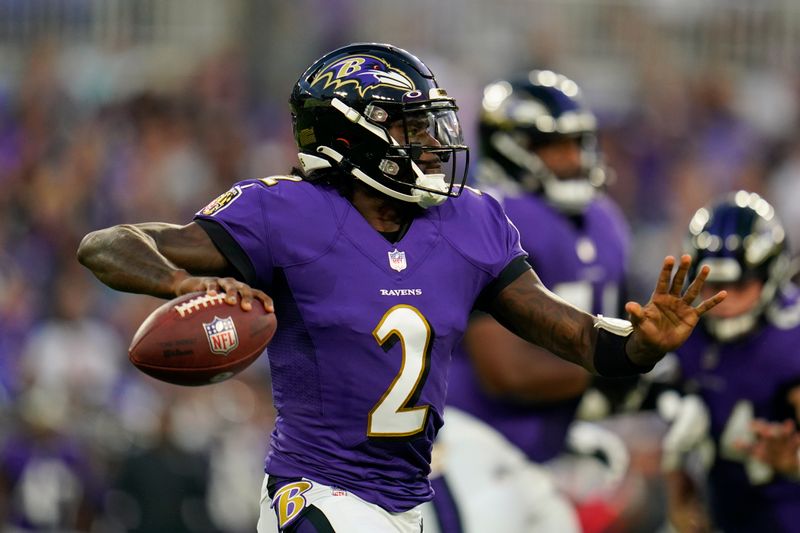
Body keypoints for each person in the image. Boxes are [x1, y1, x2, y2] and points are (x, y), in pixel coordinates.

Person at [77, 42, 725, 533]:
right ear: (347, 134)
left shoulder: (471, 220)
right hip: (319, 495)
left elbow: (583, 339)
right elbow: (106, 245)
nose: (434, 142)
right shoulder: (288, 213)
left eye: (432, 123)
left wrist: (643, 342)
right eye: (409, 127)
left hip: (412, 503)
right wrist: (180, 279)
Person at [423, 70, 632, 533]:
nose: (572, 159)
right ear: (511, 148)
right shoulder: (487, 217)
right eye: (554, 146)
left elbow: (626, 332)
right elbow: (507, 372)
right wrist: (616, 378)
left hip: (541, 455)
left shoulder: (606, 223)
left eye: (578, 144)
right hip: (470, 440)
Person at [655, 191, 800, 533]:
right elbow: (679, 429)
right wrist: (680, 498)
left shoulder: (789, 336)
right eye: (714, 286)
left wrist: (794, 463)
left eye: (740, 285)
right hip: (726, 513)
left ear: (771, 275)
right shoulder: (687, 332)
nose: (725, 300)